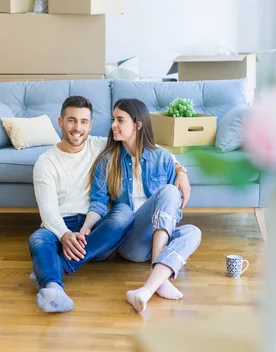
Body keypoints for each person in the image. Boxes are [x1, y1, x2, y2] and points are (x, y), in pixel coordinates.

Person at [29, 96, 192, 313]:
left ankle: (55, 266)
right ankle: (53, 287)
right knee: (38, 237)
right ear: (60, 122)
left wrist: (181, 171)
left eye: (84, 122)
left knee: (186, 229)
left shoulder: (98, 145)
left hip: (100, 229)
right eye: (71, 121)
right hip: (65, 225)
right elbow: (49, 212)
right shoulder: (46, 162)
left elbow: (155, 150)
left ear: (90, 125)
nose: (78, 128)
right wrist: (65, 234)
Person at [87, 99, 202, 313]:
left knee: (193, 232)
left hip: (159, 237)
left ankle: (147, 290)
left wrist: (181, 171)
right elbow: (98, 203)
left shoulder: (164, 159)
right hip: (133, 243)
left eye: (120, 120)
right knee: (169, 191)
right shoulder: (107, 161)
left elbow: (173, 210)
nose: (113, 125)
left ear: (138, 125)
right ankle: (158, 272)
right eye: (113, 119)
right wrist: (86, 229)